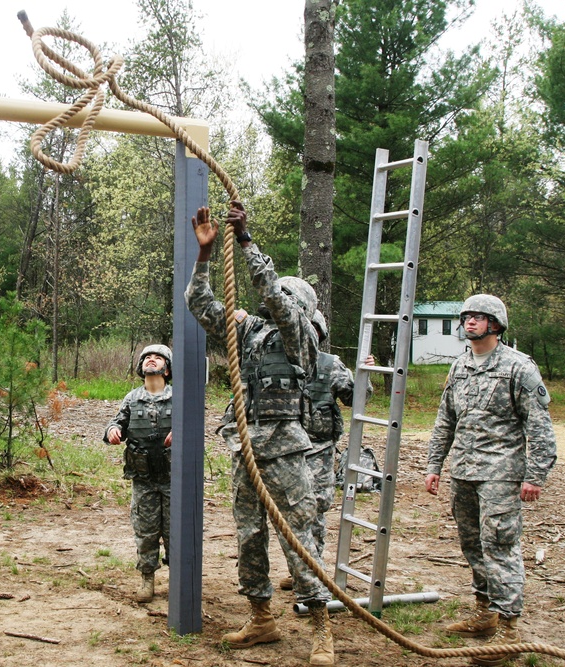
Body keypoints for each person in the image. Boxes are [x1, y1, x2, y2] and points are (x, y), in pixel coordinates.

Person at [185, 202, 335, 666]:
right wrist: (206, 255)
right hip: (244, 445)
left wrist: (247, 241)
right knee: (250, 536)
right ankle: (261, 618)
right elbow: (199, 302)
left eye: (287, 298)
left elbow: (274, 298)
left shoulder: (301, 335)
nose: (277, 303)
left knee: (298, 538)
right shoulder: (250, 332)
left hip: (285, 450)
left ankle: (321, 629)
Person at [424, 294, 557, 666]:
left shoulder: (518, 368)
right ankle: (485, 613)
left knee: (500, 545)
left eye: (478, 317)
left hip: (501, 473)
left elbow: (539, 426)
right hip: (463, 472)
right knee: (472, 544)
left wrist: (536, 475)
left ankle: (508, 629)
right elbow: (445, 420)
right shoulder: (461, 366)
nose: (470, 323)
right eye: (466, 317)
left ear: (495, 324)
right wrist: (434, 464)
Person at [277, 311, 374, 591]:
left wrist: (364, 375)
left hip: (318, 451)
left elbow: (356, 399)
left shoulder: (330, 365)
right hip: (287, 451)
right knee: (288, 513)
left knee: (315, 510)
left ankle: (312, 569)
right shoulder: (279, 364)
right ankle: (300, 568)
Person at [104, 344, 174, 603]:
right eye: (147, 358)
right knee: (145, 531)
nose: (151, 361)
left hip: (172, 478)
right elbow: (116, 422)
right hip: (143, 479)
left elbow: (194, 428)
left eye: (157, 358)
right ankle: (147, 578)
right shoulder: (132, 399)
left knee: (174, 531)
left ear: (167, 369)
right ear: (141, 366)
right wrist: (113, 431)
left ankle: (177, 578)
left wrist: (180, 432)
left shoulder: (177, 397)